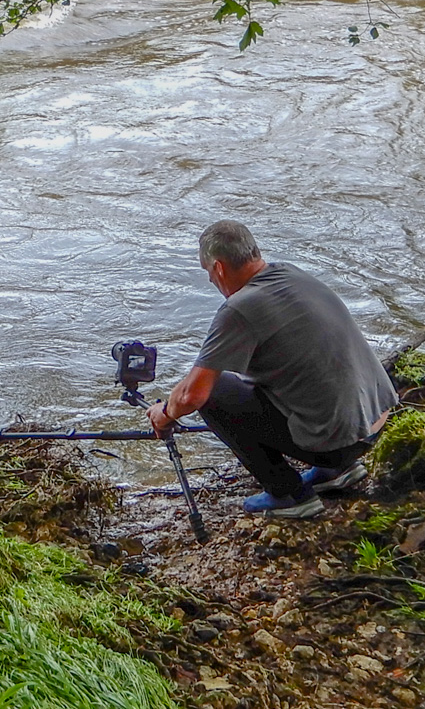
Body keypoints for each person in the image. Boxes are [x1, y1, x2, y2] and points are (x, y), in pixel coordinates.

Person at [146, 220, 396, 518]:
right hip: (376, 422)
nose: (212, 282)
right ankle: (336, 471)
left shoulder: (238, 309)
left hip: (341, 442)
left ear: (219, 268)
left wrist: (165, 414)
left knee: (217, 391)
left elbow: (193, 396)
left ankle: (290, 494)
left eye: (208, 274)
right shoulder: (292, 273)